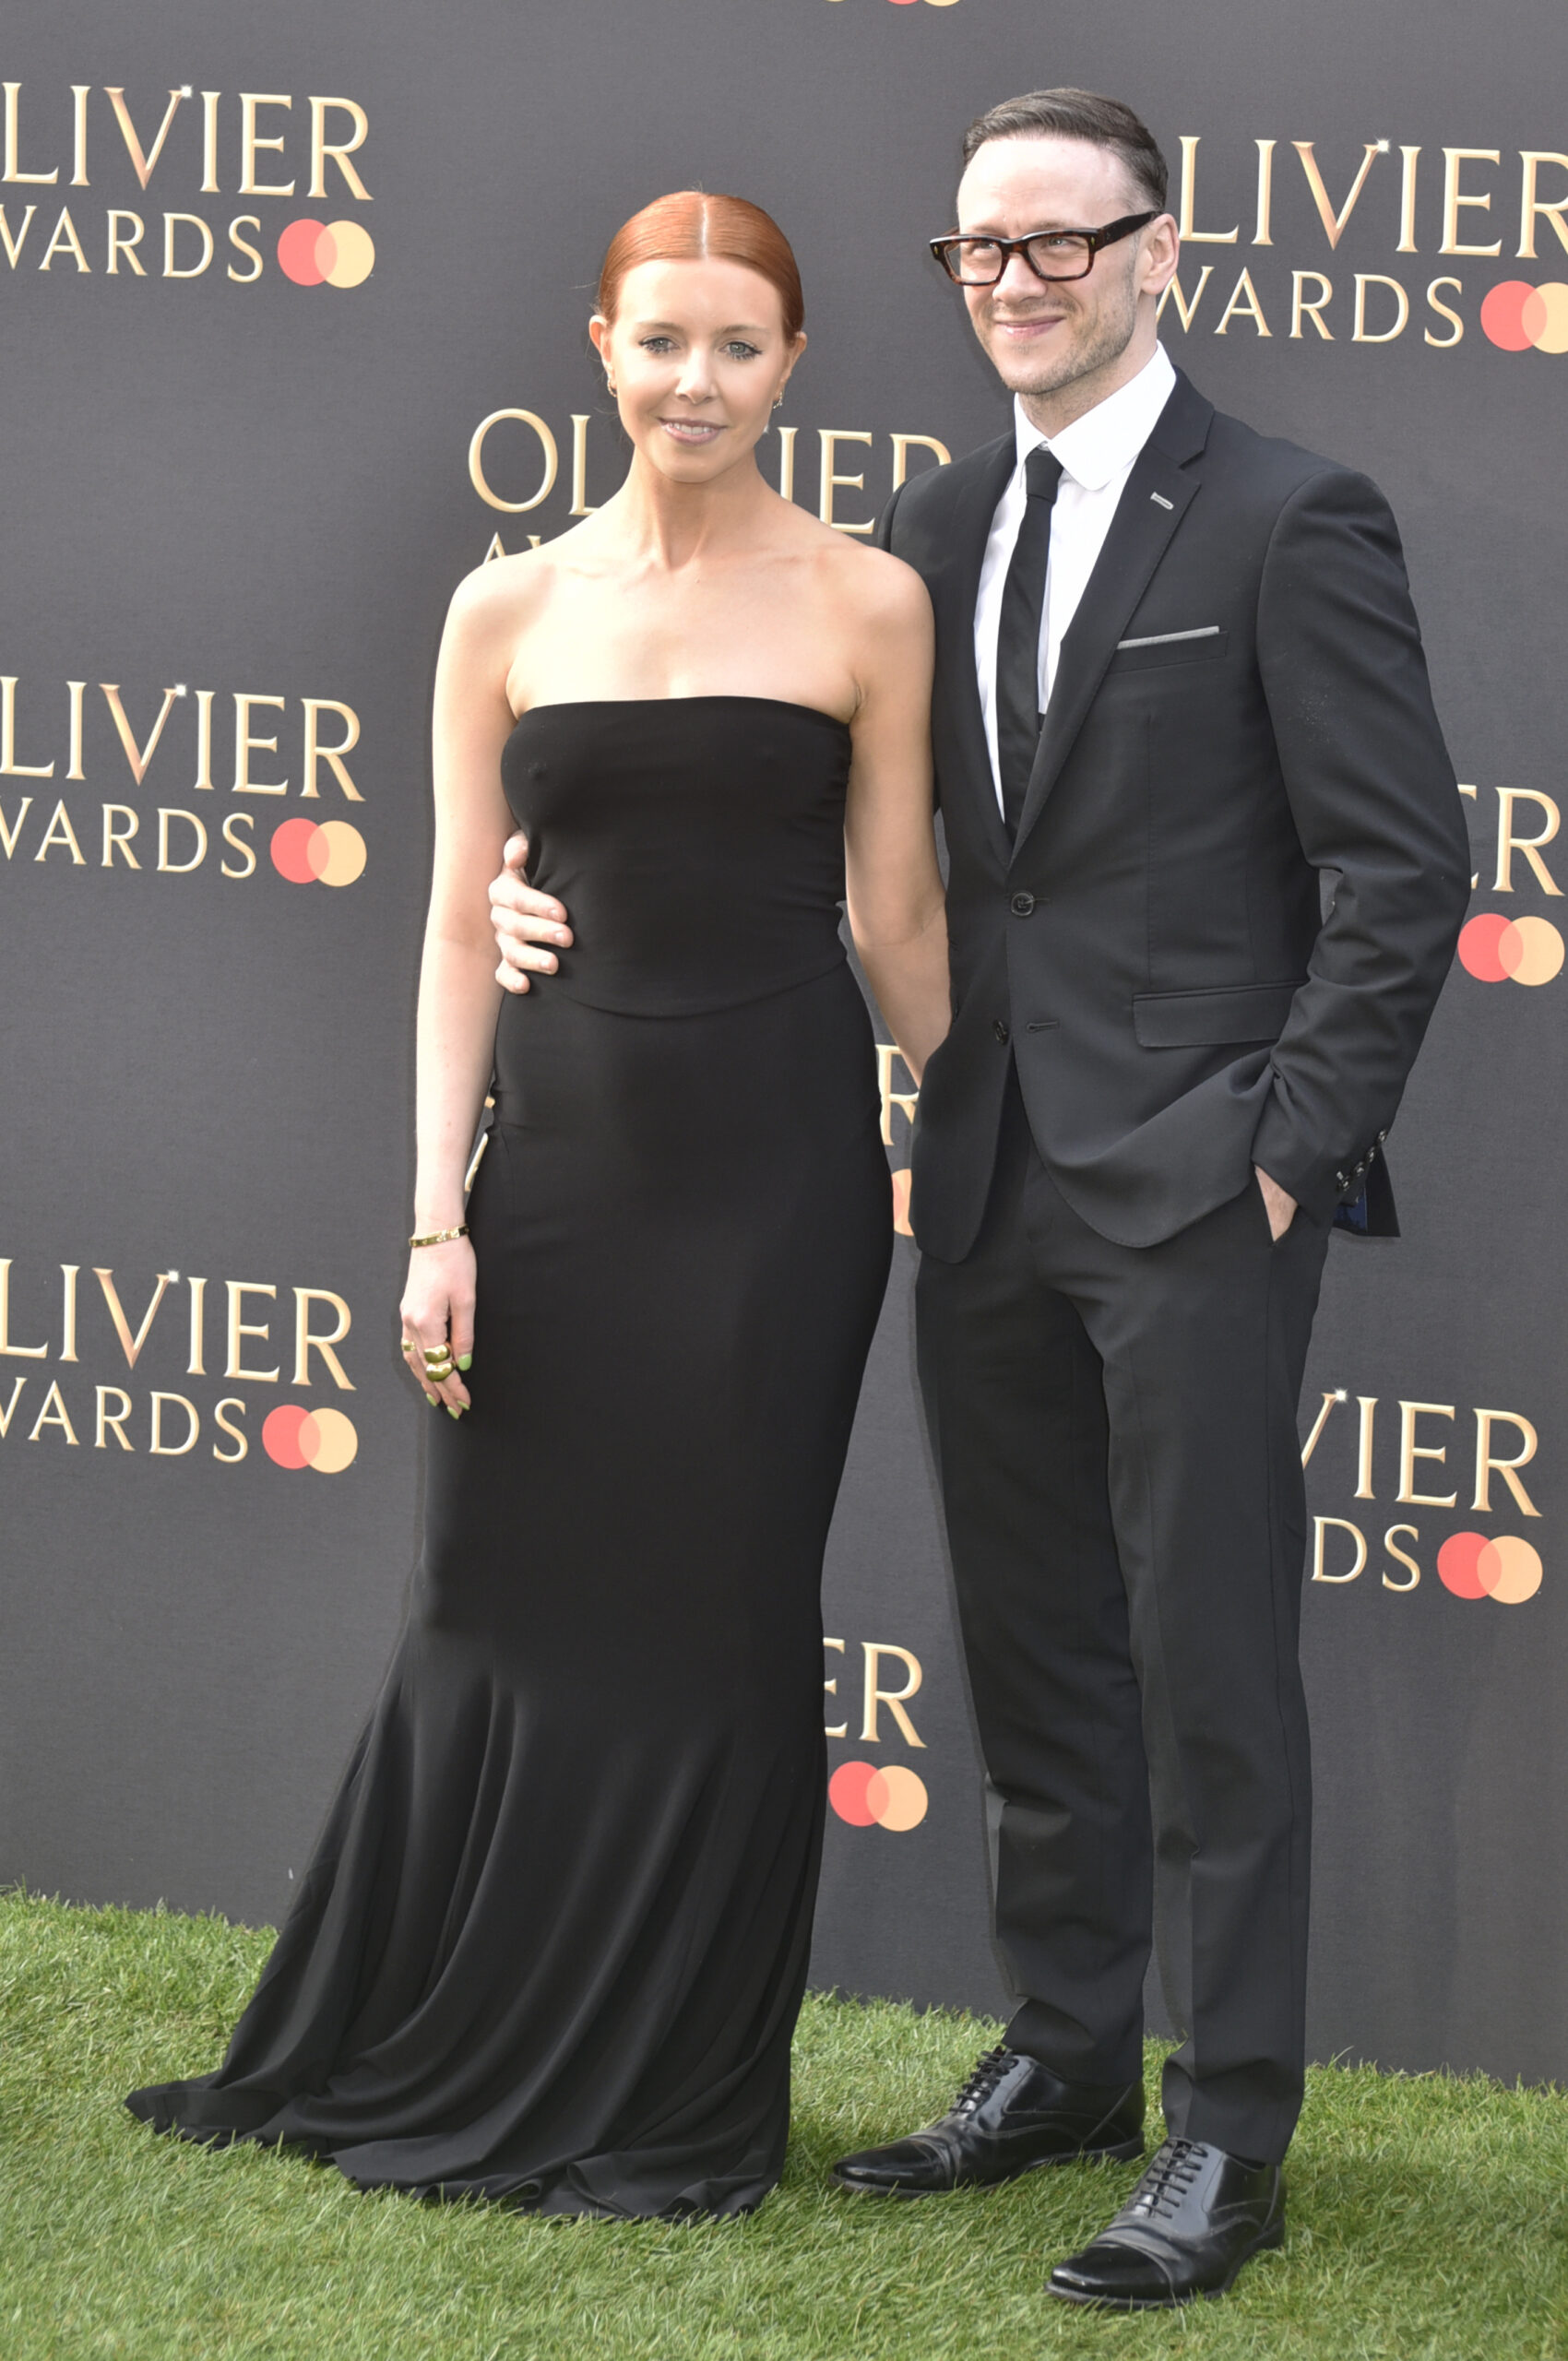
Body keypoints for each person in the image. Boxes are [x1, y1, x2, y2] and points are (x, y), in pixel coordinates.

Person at [489, 95, 1470, 2302]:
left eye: (1060, 242)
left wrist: (1288, 1149)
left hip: (1202, 1185)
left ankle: (1228, 2133)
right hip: (982, 1155)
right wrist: (523, 886)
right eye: (977, 254)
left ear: (1162, 252)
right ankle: (1060, 2053)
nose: (1015, 283)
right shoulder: (932, 517)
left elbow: (1404, 872)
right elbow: (773, 779)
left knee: (1208, 1658)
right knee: (1035, 1648)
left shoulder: (1291, 518)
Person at [125, 191, 947, 2220]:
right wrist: (436, 1214)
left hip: (777, 1180)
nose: (695, 380)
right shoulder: (502, 605)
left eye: (737, 345)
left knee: (726, 1626)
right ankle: (435, 2028)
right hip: (557, 1172)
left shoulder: (866, 602)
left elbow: (899, 914)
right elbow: (446, 922)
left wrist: (1008, 1123)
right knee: (495, 1602)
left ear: (792, 366)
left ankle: (673, 2094)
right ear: (596, 345)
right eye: (659, 338)